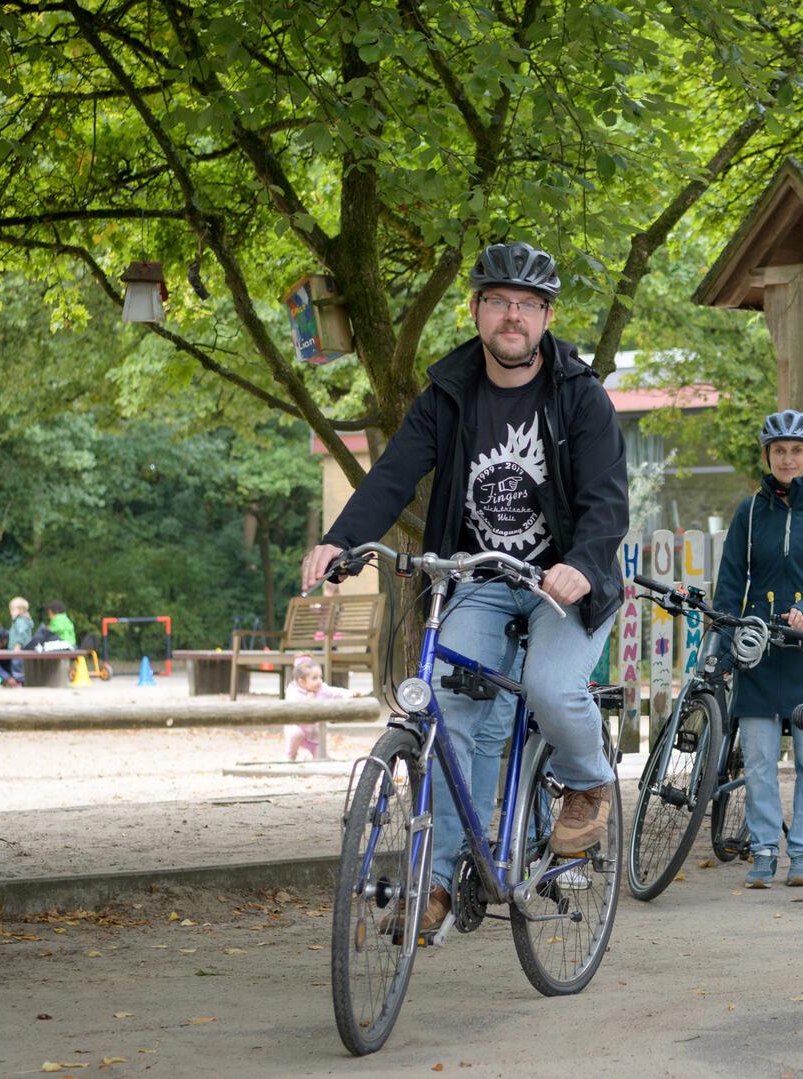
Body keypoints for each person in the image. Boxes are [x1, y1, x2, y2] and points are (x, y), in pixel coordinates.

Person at [301, 241, 629, 935]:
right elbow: (391, 475)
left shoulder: (580, 396)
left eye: (528, 305)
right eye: (499, 302)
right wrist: (341, 539)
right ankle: (439, 880)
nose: (513, 316)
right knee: (446, 712)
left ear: (546, 317)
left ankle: (587, 780)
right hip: (478, 580)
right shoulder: (448, 394)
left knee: (549, 684)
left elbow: (606, 502)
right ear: (477, 309)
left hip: (564, 584)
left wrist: (582, 562)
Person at [711, 409, 803, 888]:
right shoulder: (750, 511)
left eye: (797, 450)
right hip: (758, 651)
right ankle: (763, 849)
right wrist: (727, 637)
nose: (788, 458)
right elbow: (731, 579)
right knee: (757, 759)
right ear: (768, 456)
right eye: (780, 451)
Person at [283, 655, 355, 761]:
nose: (319, 681)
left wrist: (350, 694)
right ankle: (291, 755)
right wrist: (307, 701)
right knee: (295, 734)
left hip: (314, 731)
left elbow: (335, 692)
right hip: (297, 727)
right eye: (314, 678)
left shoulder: (321, 688)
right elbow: (292, 707)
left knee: (320, 755)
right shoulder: (294, 691)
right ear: (301, 682)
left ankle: (321, 756)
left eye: (320, 677)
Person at [7, 597, 34, 686]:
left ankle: (18, 682)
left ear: (21, 610)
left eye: (13, 609)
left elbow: (21, 633)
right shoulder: (22, 620)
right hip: (22, 648)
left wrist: (18, 644)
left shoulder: (20, 621)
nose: (11, 612)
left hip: (18, 648)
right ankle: (21, 681)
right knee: (20, 665)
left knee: (16, 665)